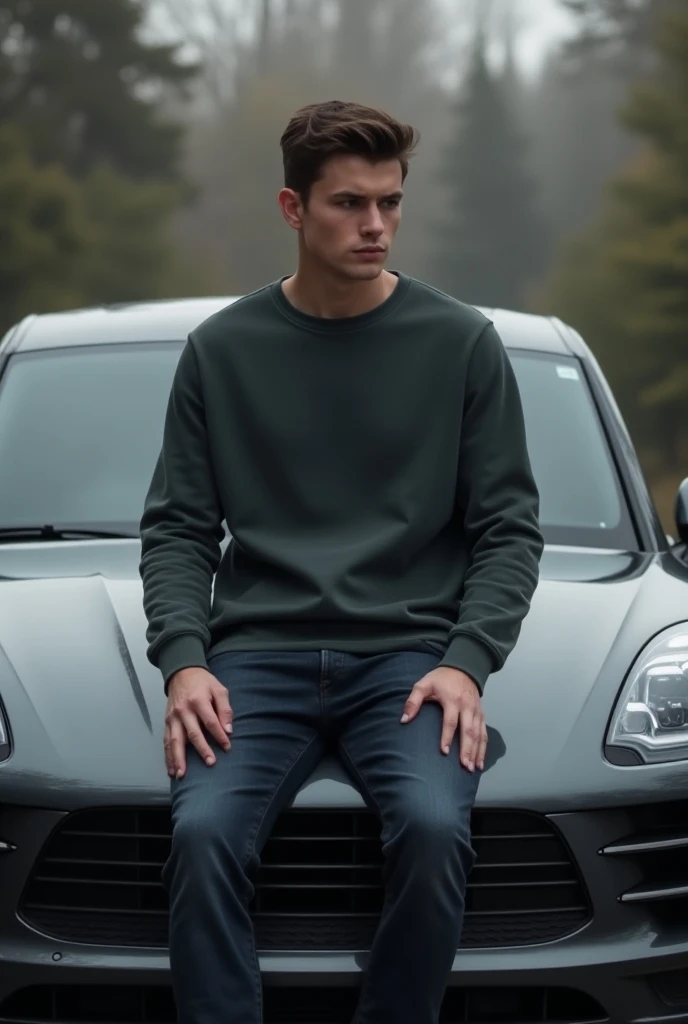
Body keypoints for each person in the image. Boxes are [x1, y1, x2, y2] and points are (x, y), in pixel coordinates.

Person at [139, 99, 544, 1024]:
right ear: (293, 208)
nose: (375, 226)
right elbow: (178, 531)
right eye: (350, 204)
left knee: (439, 829)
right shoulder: (222, 352)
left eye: (390, 204)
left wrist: (465, 661)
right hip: (254, 659)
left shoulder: (460, 344)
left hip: (408, 663)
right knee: (200, 836)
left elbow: (510, 529)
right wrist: (185, 661)